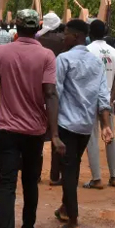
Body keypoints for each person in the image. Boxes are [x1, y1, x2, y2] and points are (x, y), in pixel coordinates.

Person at [0, 9, 59, 228]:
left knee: (6, 183)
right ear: (37, 29)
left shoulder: (2, 52)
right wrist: (54, 133)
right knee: (30, 183)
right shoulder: (47, 56)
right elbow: (50, 94)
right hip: (35, 131)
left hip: (7, 129)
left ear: (16, 27)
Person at [53, 19, 113, 228]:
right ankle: (64, 208)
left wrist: (49, 126)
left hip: (67, 124)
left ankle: (73, 221)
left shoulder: (64, 59)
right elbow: (102, 95)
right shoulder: (97, 63)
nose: (63, 37)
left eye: (67, 33)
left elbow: (56, 93)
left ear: (76, 36)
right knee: (73, 166)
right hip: (86, 126)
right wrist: (105, 125)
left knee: (68, 172)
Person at [84, 20, 115, 189]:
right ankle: (114, 177)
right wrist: (110, 99)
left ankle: (97, 178)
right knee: (110, 137)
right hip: (107, 100)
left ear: (89, 33)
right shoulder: (113, 51)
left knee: (92, 139)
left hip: (90, 100)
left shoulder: (87, 50)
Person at [36, 12, 67, 186]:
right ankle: (55, 176)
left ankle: (36, 173)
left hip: (38, 92)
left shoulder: (37, 41)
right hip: (58, 94)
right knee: (57, 134)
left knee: (38, 135)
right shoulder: (63, 41)